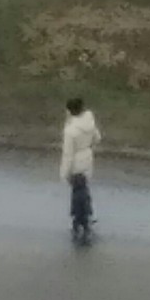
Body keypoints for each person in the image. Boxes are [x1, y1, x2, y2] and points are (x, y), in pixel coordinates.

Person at [59, 97, 102, 241]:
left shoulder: (70, 131)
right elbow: (97, 138)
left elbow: (68, 154)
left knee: (78, 193)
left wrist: (64, 173)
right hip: (87, 159)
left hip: (76, 163)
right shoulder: (89, 122)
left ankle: (81, 220)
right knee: (83, 189)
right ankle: (85, 217)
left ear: (69, 111)